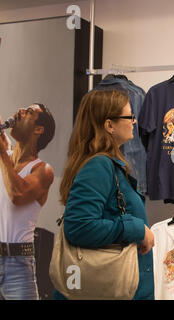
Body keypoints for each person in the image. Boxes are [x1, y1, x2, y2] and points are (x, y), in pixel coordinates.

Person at [55, 89, 154, 300]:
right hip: (106, 290)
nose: (134, 122)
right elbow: (79, 226)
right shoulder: (99, 166)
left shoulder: (104, 164)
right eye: (129, 116)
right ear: (109, 125)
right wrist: (137, 228)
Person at [0, 104, 55, 300]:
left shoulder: (43, 170)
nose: (20, 111)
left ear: (38, 129)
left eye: (29, 112)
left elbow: (18, 194)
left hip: (18, 265)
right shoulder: (4, 157)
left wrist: (3, 154)